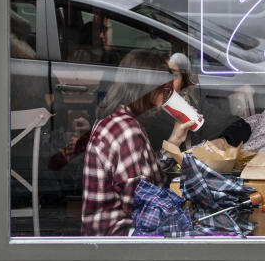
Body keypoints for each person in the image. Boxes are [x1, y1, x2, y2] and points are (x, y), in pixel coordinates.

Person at [81, 49, 194, 236]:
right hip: (119, 239)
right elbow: (140, 203)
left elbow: (143, 178)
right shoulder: (128, 131)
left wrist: (174, 141)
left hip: (105, 233)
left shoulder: (114, 118)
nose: (168, 91)